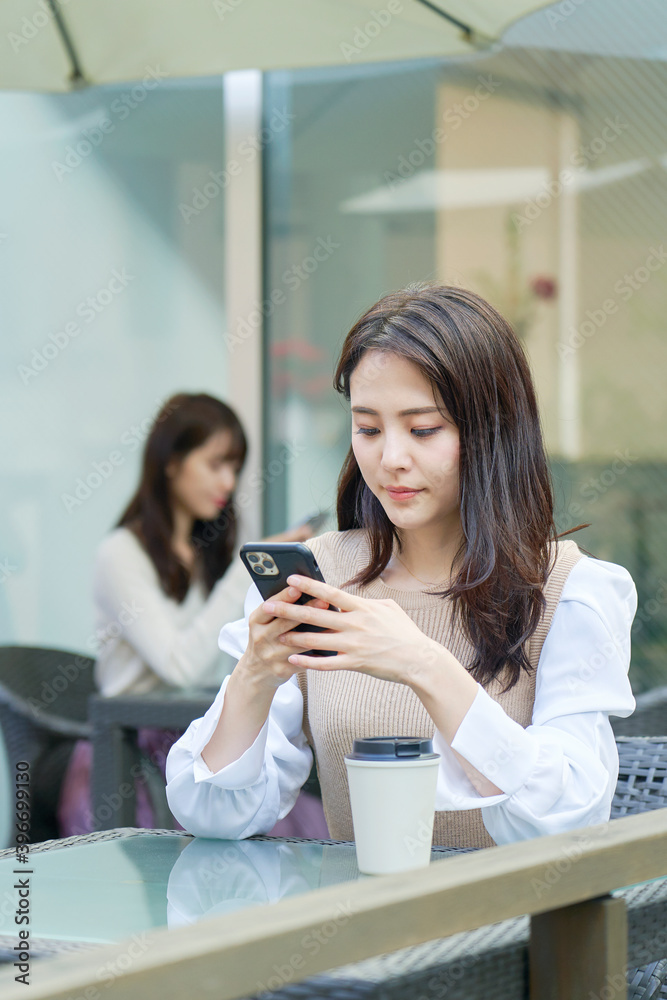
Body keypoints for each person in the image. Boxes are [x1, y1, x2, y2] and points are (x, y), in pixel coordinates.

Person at [165, 288, 637, 848]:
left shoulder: (568, 590)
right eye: (367, 429)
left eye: (423, 429)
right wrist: (255, 675)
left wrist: (420, 663)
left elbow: (570, 816)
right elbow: (215, 816)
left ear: (493, 429)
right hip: (361, 928)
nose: (390, 458)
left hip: (514, 931)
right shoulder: (320, 580)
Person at [57, 392, 325, 837]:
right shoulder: (120, 554)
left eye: (235, 468)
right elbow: (181, 665)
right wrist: (245, 574)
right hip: (131, 757)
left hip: (200, 735)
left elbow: (226, 660)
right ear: (171, 462)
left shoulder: (204, 552)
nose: (228, 481)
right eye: (215, 464)